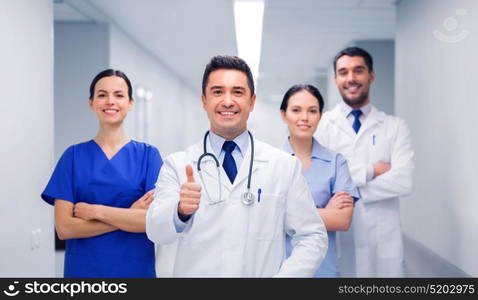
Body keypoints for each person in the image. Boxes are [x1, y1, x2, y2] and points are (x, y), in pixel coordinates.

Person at [146, 55, 327, 277]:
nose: (228, 101)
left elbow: (312, 236)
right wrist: (180, 211)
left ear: (252, 101)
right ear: (204, 100)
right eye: (217, 92)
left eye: (238, 92)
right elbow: (156, 231)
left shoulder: (283, 167)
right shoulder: (178, 164)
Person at [41, 69, 162, 277]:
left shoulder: (148, 156)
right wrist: (127, 214)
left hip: (134, 271)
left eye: (119, 95)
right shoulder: (73, 156)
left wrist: (96, 211)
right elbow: (64, 228)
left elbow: (150, 221)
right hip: (84, 274)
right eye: (102, 94)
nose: (110, 101)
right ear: (91, 103)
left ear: (130, 103)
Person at [316, 47, 414, 277]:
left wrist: (345, 186)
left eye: (358, 71)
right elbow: (322, 183)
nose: (351, 78)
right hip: (340, 240)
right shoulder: (322, 126)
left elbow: (403, 181)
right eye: (343, 72)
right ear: (335, 79)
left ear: (371, 75)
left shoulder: (395, 127)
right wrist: (372, 170)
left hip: (383, 241)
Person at [280, 84, 360, 277]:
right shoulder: (271, 163)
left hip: (324, 268)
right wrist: (327, 212)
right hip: (281, 268)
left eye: (312, 111)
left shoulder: (336, 162)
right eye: (296, 110)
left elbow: (342, 220)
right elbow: (266, 218)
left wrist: (285, 215)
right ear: (283, 115)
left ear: (320, 116)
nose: (304, 118)